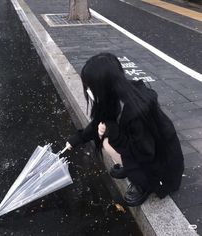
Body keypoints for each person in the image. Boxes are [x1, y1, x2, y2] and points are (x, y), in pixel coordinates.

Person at [66, 52, 184, 207]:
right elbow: (99, 121)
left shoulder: (137, 110)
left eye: (91, 86)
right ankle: (131, 169)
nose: (88, 90)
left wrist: (113, 132)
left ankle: (144, 185)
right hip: (145, 151)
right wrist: (78, 138)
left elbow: (145, 153)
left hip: (162, 168)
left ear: (103, 85)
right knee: (107, 139)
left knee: (107, 143)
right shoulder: (114, 94)